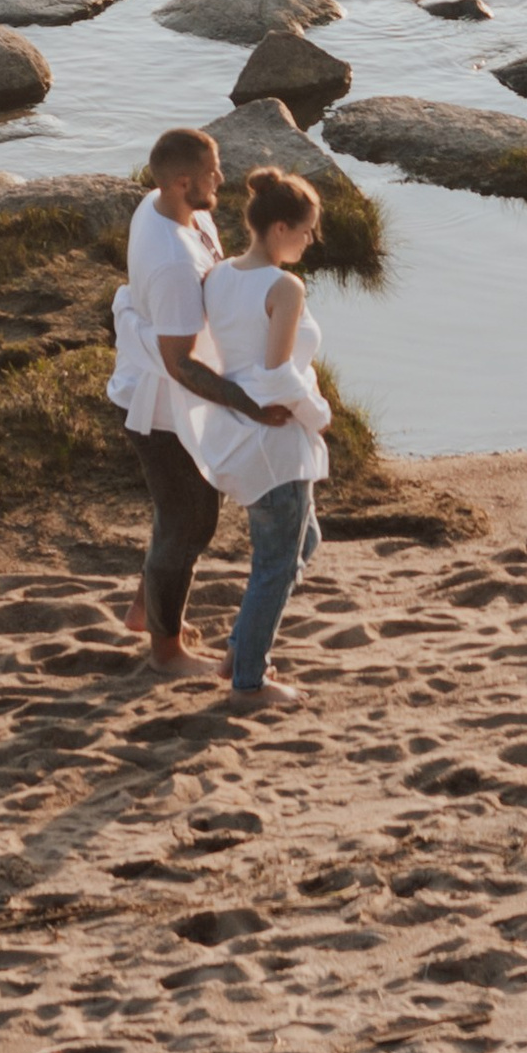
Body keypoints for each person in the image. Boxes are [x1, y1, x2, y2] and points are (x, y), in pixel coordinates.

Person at [105, 128, 291, 676]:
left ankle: (145, 610)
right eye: (212, 172)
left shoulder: (172, 208)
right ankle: (166, 653)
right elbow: (178, 364)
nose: (223, 178)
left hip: (171, 395)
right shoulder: (170, 263)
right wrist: (251, 405)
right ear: (183, 182)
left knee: (180, 518)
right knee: (189, 522)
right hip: (160, 407)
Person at [182, 167, 331, 714]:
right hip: (275, 444)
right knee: (275, 562)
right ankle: (248, 679)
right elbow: (274, 375)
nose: (311, 241)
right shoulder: (284, 286)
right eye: (308, 230)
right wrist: (319, 414)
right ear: (280, 227)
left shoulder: (219, 276)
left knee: (301, 543)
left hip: (242, 435)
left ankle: (238, 650)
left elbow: (223, 356)